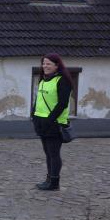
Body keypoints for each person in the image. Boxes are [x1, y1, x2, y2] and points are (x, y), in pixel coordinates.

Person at [31, 53, 73, 191]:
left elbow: (62, 104)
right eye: (43, 63)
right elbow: (39, 100)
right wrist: (33, 114)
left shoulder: (62, 81)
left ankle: (54, 183)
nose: (45, 66)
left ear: (57, 65)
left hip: (54, 123)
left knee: (54, 153)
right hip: (41, 122)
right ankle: (49, 179)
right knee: (48, 153)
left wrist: (50, 119)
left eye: (48, 64)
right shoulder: (43, 80)